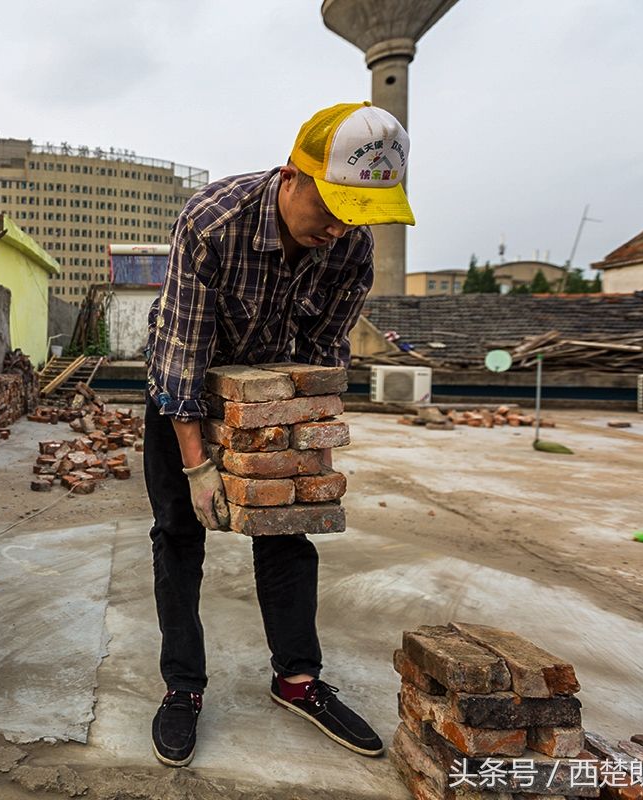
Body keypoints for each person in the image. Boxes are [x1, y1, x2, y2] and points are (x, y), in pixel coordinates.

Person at [144, 102, 415, 766]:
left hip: (270, 392)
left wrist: (305, 455)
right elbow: (182, 359)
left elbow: (322, 356)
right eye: (330, 205)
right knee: (179, 534)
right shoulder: (214, 222)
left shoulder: (350, 246)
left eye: (356, 210)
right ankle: (183, 687)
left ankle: (297, 680)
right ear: (294, 175)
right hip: (183, 386)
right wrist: (197, 466)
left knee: (289, 529)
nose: (339, 225)